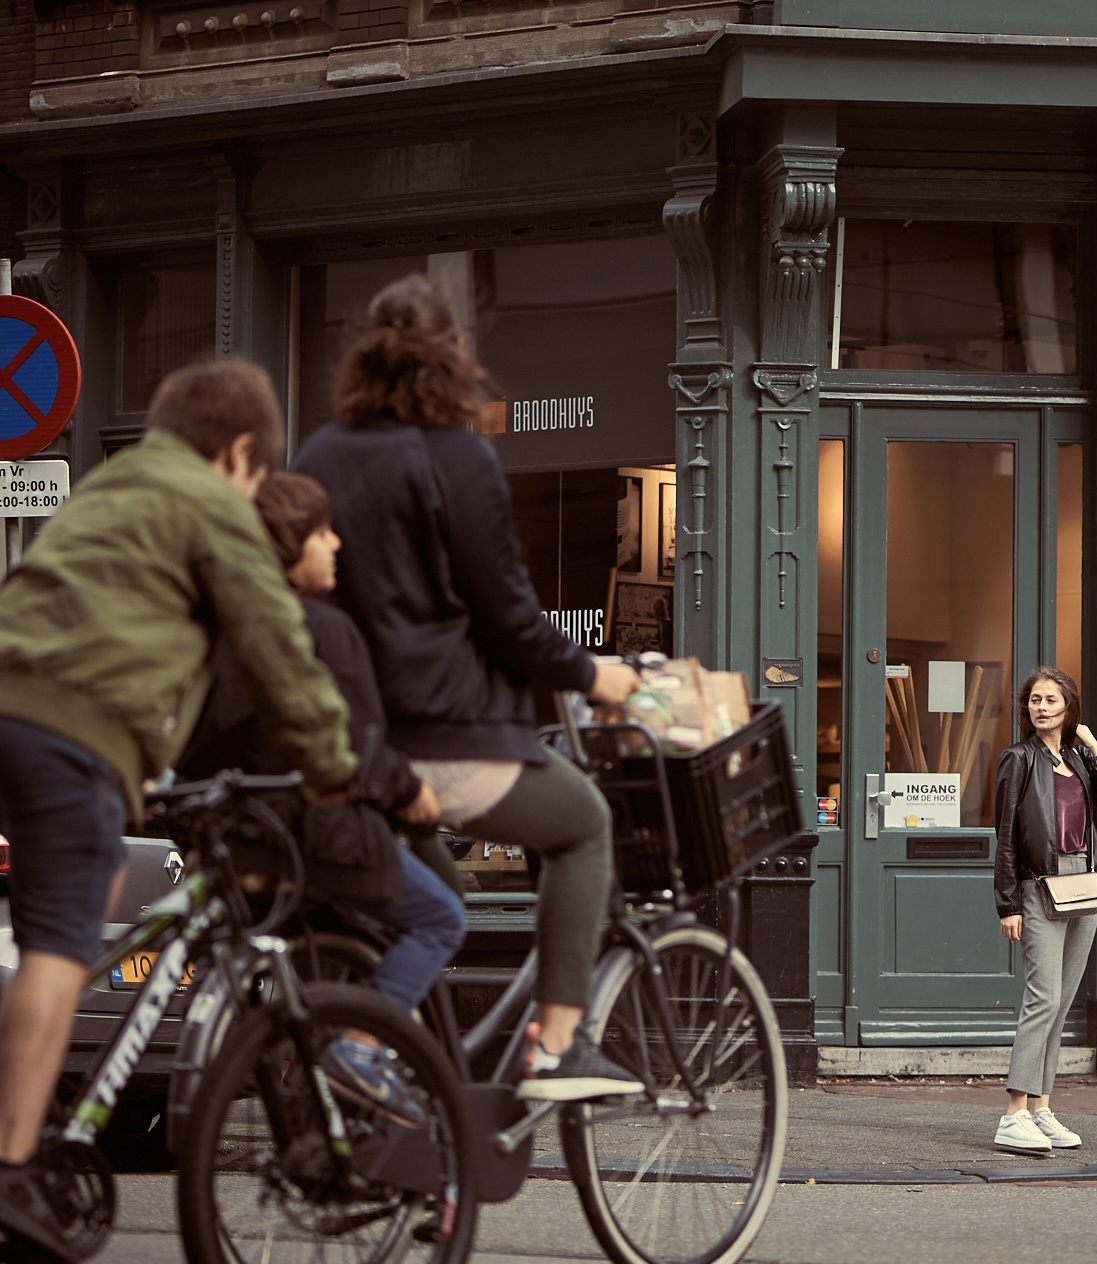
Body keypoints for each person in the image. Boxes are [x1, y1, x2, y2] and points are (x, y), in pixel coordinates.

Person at [0, 361, 358, 1257]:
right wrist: (333, 768)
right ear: (238, 454)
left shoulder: (111, 485)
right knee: (57, 947)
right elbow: (275, 643)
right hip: (69, 731)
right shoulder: (211, 504)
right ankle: (12, 1168)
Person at [293, 274, 641, 1102]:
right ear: (454, 359)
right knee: (583, 825)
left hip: (351, 746)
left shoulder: (318, 453)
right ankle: (558, 1041)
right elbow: (509, 617)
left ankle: (413, 1097)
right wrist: (595, 672)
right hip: (444, 735)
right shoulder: (460, 458)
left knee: (441, 899)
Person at [178, 472, 465, 1124]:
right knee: (441, 916)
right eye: (321, 532)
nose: (335, 543)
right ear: (288, 546)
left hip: (238, 838)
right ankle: (360, 1052)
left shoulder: (213, 630)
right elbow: (354, 747)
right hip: (312, 838)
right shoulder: (323, 630)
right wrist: (411, 791)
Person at [991, 667, 1097, 1155]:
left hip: (1084, 885)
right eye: (1034, 700)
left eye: (1051, 700)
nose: (1041, 707)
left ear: (1068, 708)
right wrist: (1008, 903)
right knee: (1042, 998)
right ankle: (1014, 1113)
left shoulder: (1078, 759)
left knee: (1063, 1000)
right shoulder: (1018, 760)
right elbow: (1006, 836)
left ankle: (1041, 1106)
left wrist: (1094, 747)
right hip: (1039, 886)